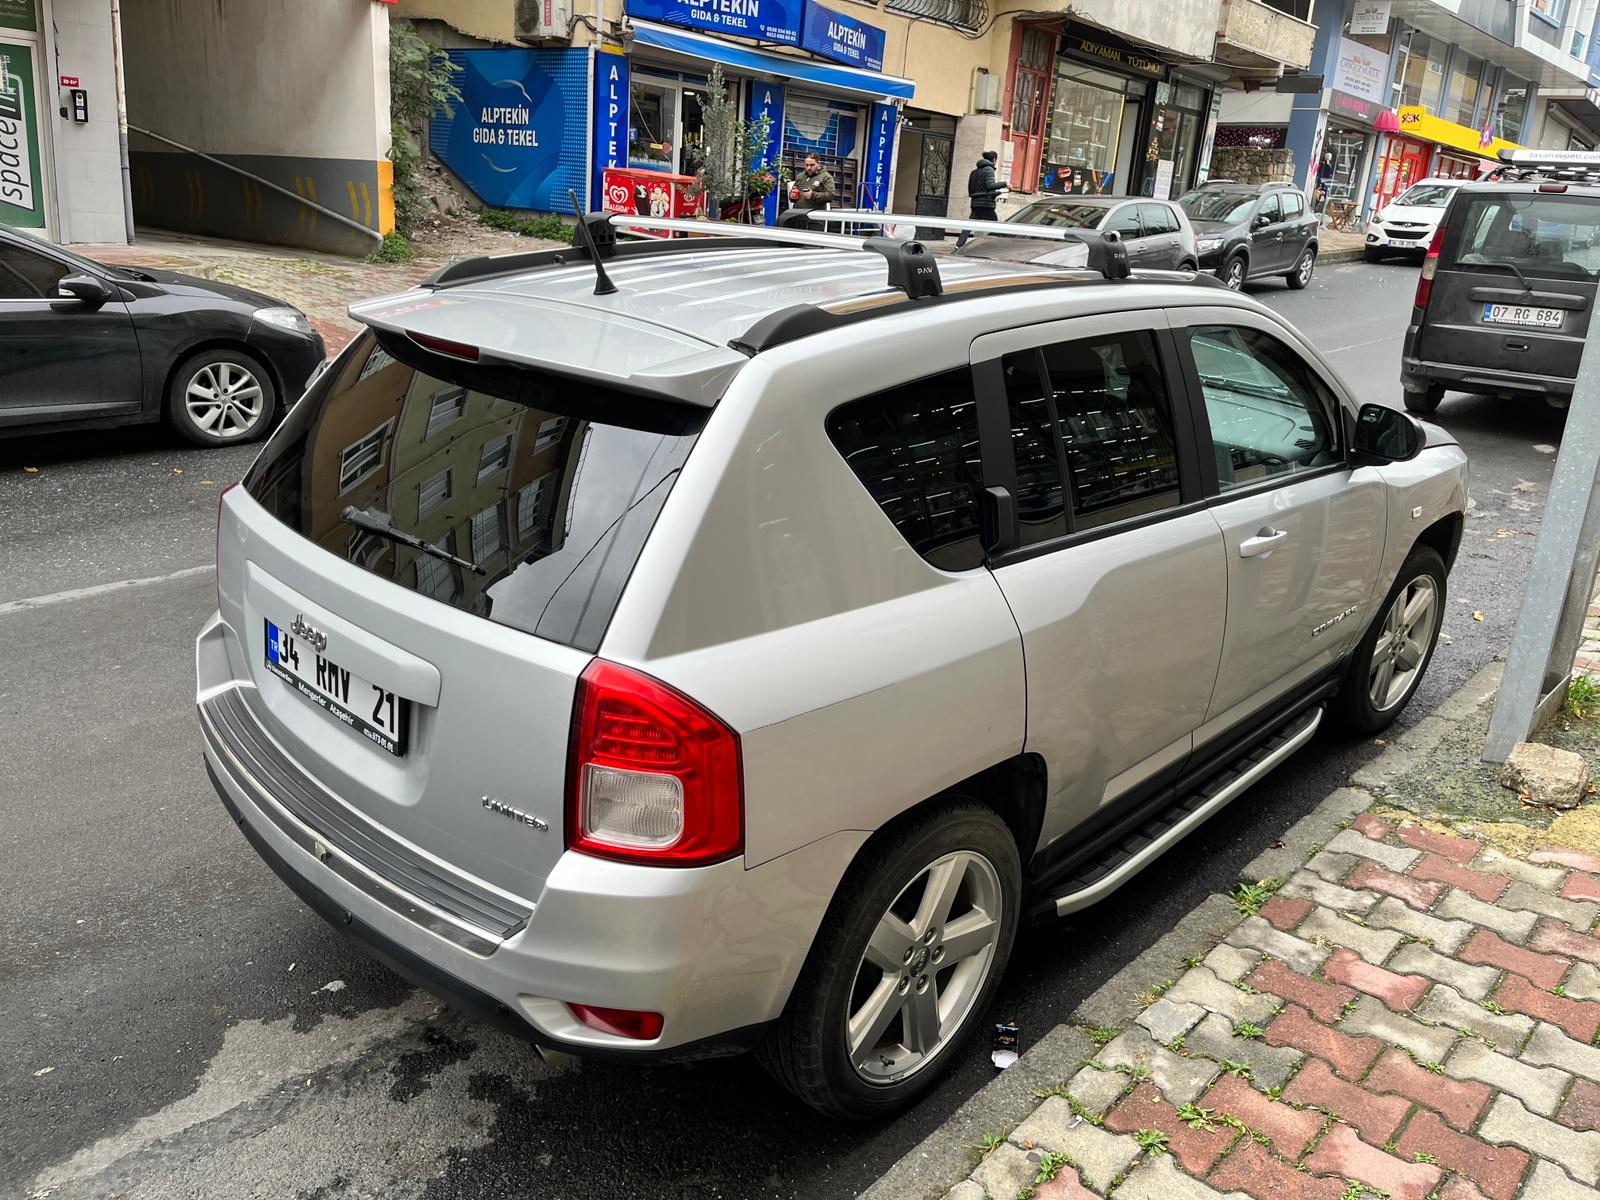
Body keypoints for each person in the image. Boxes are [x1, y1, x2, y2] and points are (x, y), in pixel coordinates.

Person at [957, 150, 1006, 248]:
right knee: (995, 226)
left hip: (975, 203)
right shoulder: (989, 169)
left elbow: (978, 190)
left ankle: (959, 244)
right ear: (994, 159)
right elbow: (990, 186)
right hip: (986, 205)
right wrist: (1005, 184)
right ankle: (997, 247)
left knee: (969, 225)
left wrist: (995, 194)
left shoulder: (974, 172)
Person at [1315, 150, 1336, 219]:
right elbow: (1320, 172)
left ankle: (1322, 211)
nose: (1329, 157)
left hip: (1327, 182)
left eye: (1330, 156)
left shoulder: (1331, 164)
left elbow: (1332, 172)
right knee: (1319, 195)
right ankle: (1316, 208)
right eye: (1328, 156)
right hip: (1322, 181)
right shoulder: (1322, 164)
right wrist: (1320, 180)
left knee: (1326, 197)